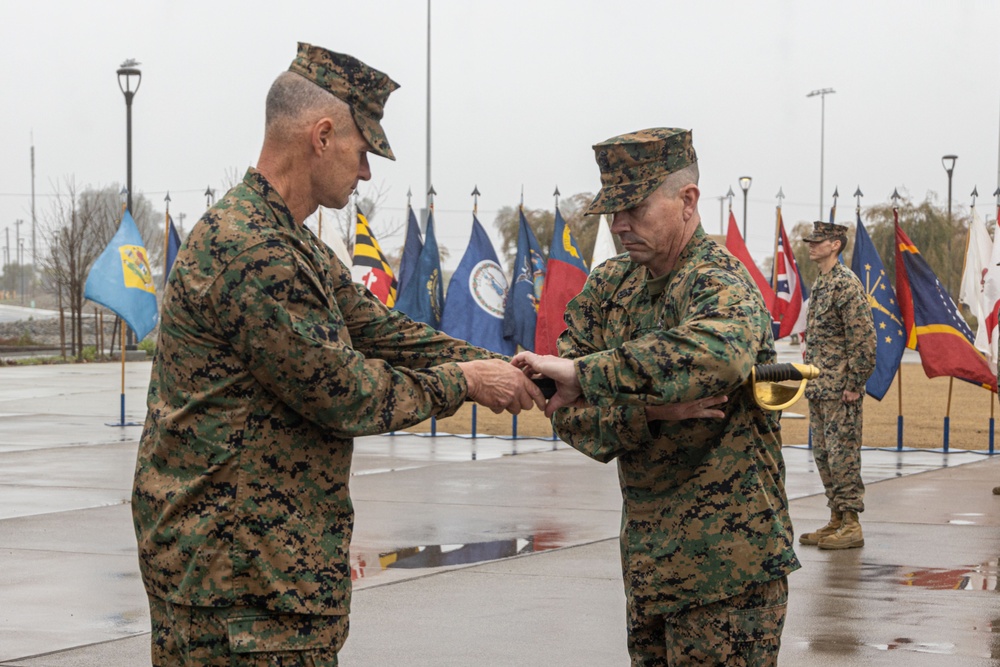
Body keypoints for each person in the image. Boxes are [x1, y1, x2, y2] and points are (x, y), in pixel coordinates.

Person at [131, 43, 543, 665]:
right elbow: (345, 393)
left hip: (257, 577)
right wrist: (465, 382)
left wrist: (517, 369)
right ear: (322, 135)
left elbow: (384, 333)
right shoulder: (254, 252)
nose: (368, 173)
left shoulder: (286, 243)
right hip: (236, 589)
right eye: (363, 151)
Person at [513, 128, 800, 666]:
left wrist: (590, 377)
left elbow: (717, 357)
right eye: (612, 212)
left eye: (635, 208)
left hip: (728, 571)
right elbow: (562, 404)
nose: (619, 225)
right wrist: (649, 411)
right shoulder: (609, 287)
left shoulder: (720, 283)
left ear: (687, 201)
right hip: (648, 566)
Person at [798, 221, 876, 550]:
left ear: (835, 244)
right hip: (820, 387)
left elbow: (864, 340)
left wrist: (855, 383)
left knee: (843, 455)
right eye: (811, 241)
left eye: (818, 241)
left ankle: (852, 523)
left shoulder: (846, 284)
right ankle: (836, 518)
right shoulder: (822, 283)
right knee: (824, 455)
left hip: (841, 389)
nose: (812, 246)